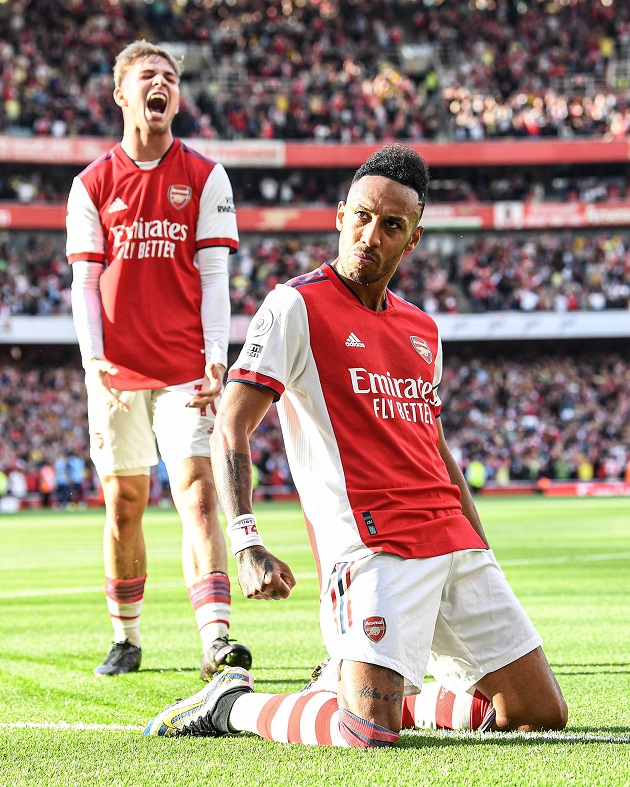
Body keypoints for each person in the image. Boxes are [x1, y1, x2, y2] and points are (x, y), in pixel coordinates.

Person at [145, 144, 567, 745]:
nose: (372, 234)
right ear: (341, 215)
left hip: (451, 540)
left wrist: (481, 546)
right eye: (363, 216)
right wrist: (247, 542)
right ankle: (231, 705)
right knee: (365, 732)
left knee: (538, 715)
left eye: (392, 225)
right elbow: (232, 422)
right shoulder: (295, 306)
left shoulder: (423, 329)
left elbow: (437, 448)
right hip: (373, 546)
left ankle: (366, 682)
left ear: (411, 240)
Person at [67, 40, 251, 679]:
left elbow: (216, 276)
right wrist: (93, 360)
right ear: (121, 94)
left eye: (171, 78)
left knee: (199, 492)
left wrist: (215, 359)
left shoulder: (206, 176)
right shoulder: (91, 184)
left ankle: (216, 639)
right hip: (116, 372)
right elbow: (86, 281)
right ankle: (127, 637)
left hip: (183, 371)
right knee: (124, 503)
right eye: (149, 76)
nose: (163, 85)